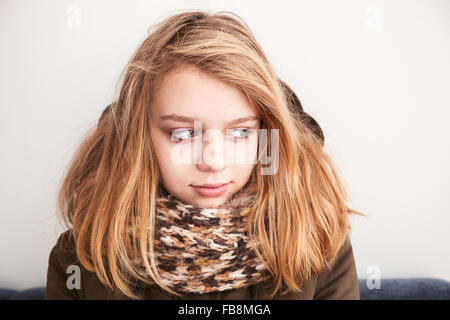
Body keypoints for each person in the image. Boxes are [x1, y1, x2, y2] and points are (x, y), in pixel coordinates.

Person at [45, 10, 364, 300]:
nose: (213, 162)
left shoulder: (318, 240)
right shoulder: (81, 259)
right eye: (183, 134)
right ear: (140, 137)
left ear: (266, 134)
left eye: (240, 133)